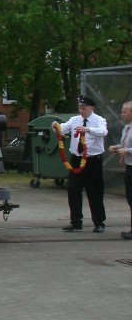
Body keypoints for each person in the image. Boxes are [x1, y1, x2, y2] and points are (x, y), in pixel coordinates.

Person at [55, 96, 108, 233]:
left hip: (92, 160)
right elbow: (63, 129)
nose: (81, 110)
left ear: (92, 108)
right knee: (73, 190)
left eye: (84, 108)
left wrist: (88, 130)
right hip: (77, 159)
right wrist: (56, 126)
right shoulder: (75, 120)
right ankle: (76, 221)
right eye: (80, 108)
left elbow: (103, 132)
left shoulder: (98, 120)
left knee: (94, 192)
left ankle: (99, 222)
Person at [107, 100, 132, 239]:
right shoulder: (127, 128)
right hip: (128, 166)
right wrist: (117, 147)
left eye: (125, 111)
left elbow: (128, 147)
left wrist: (127, 150)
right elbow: (125, 143)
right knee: (130, 199)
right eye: (122, 111)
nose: (122, 114)